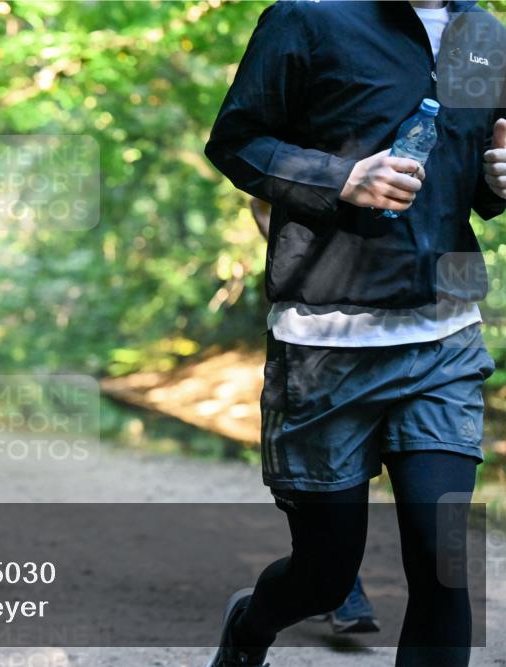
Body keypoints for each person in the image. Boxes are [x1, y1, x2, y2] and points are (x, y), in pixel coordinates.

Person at [203, 2, 505, 666]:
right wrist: (342, 177)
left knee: (444, 561)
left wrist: (498, 181)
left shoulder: (485, 35)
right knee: (325, 573)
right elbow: (235, 141)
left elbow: (475, 176)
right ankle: (250, 627)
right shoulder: (307, 18)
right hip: (325, 344)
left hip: (443, 338)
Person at [251, 195, 381, 636]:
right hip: (315, 336)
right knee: (332, 484)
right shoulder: (297, 158)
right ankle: (345, 589)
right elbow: (265, 206)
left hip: (401, 329)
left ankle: (342, 586)